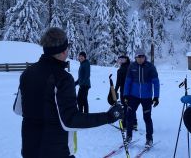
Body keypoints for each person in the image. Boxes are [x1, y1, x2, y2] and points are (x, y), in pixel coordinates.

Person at [13, 27, 123, 158]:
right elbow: (70, 120)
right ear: (64, 51)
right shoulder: (63, 78)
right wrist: (109, 116)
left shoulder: (27, 73)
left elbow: (18, 109)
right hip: (56, 152)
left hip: (29, 150)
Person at [123, 48, 160, 147]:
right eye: (138, 57)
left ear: (144, 57)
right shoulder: (132, 66)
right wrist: (126, 95)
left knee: (147, 118)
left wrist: (156, 97)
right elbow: (127, 82)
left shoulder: (150, 67)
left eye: (142, 57)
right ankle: (129, 137)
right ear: (135, 57)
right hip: (133, 96)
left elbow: (156, 82)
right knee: (129, 115)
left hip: (146, 97)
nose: (140, 59)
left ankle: (149, 139)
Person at [115, 55, 130, 126]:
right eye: (120, 59)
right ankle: (133, 123)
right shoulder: (129, 67)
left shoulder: (122, 69)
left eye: (122, 59)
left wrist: (115, 90)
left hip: (125, 90)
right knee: (130, 106)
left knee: (125, 106)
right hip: (129, 90)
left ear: (126, 60)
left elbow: (118, 82)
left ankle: (124, 124)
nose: (120, 61)